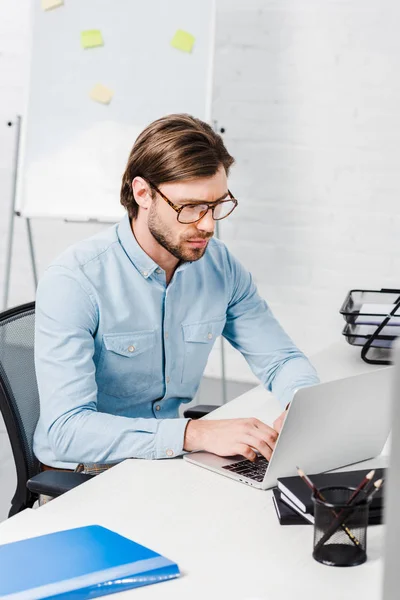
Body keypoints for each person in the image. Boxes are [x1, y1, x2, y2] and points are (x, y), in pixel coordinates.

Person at [33, 113, 319, 472]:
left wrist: (301, 411)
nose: (208, 224)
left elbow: (281, 360)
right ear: (143, 193)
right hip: (88, 473)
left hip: (168, 460)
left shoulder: (219, 266)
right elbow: (67, 430)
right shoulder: (74, 281)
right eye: (191, 208)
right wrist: (194, 434)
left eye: (217, 205)